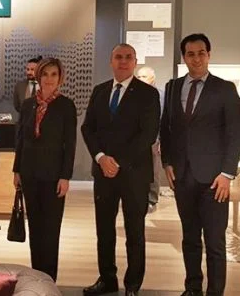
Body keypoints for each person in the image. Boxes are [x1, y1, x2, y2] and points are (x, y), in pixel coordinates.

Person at [161, 33, 240, 296]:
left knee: (215, 242)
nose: (196, 59)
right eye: (190, 54)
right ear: (184, 57)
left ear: (209, 55)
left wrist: (227, 174)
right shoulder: (173, 87)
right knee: (189, 238)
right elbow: (166, 127)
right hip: (182, 176)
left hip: (215, 179)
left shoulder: (225, 89)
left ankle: (215, 292)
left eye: (201, 53)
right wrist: (167, 162)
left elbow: (235, 134)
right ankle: (192, 288)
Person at [81, 44, 160, 296]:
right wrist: (101, 158)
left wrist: (118, 162)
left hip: (134, 174)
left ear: (135, 62)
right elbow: (88, 128)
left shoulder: (148, 94)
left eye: (128, 57)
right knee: (104, 230)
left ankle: (132, 285)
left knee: (134, 231)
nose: (123, 61)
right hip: (103, 173)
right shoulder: (100, 91)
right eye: (118, 57)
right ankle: (107, 279)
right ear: (111, 61)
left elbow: (147, 134)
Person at [12, 57, 76, 282]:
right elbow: (21, 139)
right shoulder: (28, 104)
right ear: (38, 76)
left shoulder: (66, 105)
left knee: (51, 230)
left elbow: (70, 144)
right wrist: (17, 170)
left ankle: (49, 280)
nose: (49, 79)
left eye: (54, 74)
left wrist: (65, 176)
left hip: (53, 176)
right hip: (29, 174)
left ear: (60, 78)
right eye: (45, 74)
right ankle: (36, 276)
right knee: (35, 228)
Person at [135, 66, 165, 213]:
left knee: (153, 170)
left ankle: (152, 199)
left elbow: (164, 119)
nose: (141, 79)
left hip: (154, 139)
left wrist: (160, 140)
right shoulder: (133, 93)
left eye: (144, 76)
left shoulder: (161, 95)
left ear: (152, 78)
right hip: (136, 139)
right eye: (139, 76)